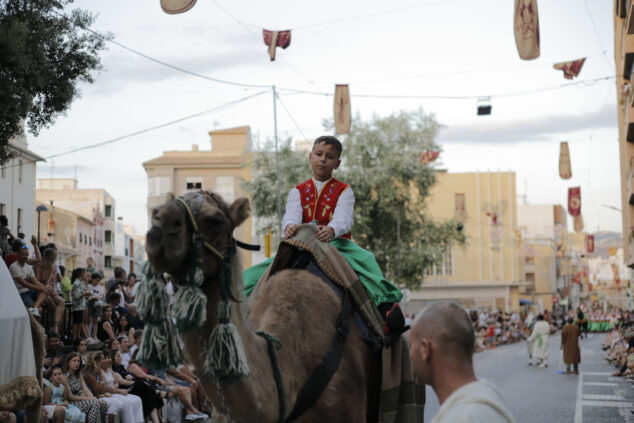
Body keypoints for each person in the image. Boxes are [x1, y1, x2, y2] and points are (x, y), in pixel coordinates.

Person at [243, 136, 403, 312]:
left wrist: (332, 229)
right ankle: (242, 304)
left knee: (367, 260)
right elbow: (291, 216)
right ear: (310, 157)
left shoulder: (344, 191)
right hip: (302, 243)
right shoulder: (297, 191)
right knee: (257, 273)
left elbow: (344, 218)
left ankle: (384, 308)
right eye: (319, 154)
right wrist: (290, 226)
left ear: (337, 163)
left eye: (329, 156)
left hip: (335, 243)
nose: (323, 159)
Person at [409, 302, 515, 422]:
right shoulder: (491, 396)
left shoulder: (459, 417)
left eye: (411, 344)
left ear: (425, 349)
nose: (410, 353)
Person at [106, 350, 165, 423]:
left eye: (120, 356)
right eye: (118, 356)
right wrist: (135, 382)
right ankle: (154, 419)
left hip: (132, 385)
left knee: (150, 390)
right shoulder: (116, 368)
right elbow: (122, 382)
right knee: (144, 385)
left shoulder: (121, 366)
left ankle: (156, 419)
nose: (120, 358)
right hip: (126, 388)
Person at [9, 242, 53, 317]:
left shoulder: (28, 267)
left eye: (26, 255)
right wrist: (43, 288)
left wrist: (45, 288)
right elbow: (25, 284)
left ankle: (35, 307)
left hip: (29, 292)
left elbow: (36, 281)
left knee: (47, 289)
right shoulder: (13, 267)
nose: (25, 256)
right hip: (20, 294)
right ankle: (35, 308)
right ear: (18, 255)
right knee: (36, 313)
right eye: (22, 254)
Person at [63, 352, 109, 423]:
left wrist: (93, 398)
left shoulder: (79, 375)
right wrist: (89, 399)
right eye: (74, 361)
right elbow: (70, 397)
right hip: (73, 402)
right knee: (94, 404)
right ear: (68, 362)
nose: (77, 363)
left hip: (82, 399)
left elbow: (86, 389)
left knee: (103, 403)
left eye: (78, 361)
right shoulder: (65, 377)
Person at [71, 268, 91, 341]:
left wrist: (86, 295)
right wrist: (85, 293)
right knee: (76, 322)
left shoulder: (80, 283)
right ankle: (75, 337)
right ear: (81, 274)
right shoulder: (76, 284)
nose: (86, 275)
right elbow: (77, 296)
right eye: (85, 273)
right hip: (77, 306)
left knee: (79, 322)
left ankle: (78, 336)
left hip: (81, 306)